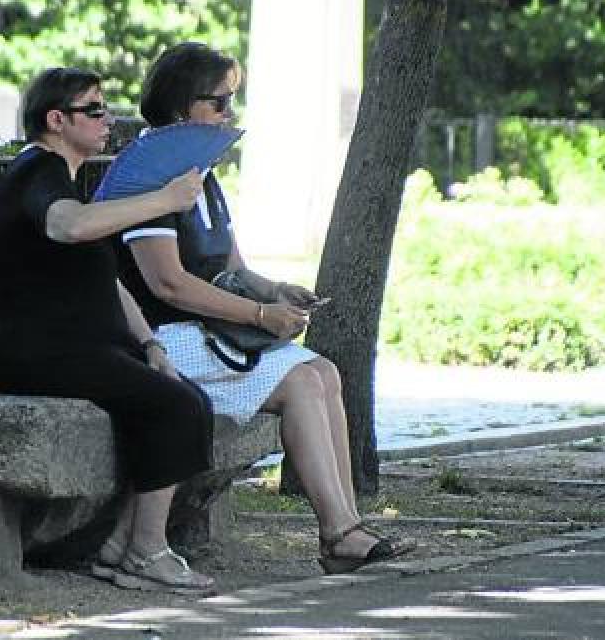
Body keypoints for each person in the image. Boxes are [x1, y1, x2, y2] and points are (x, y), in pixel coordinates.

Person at [114, 42, 416, 574]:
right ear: (184, 106)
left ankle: (348, 522)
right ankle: (337, 533)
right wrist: (257, 316)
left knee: (323, 371)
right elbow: (169, 285)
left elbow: (232, 265)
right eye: (219, 102)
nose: (229, 113)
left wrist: (276, 290)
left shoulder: (200, 173)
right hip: (170, 337)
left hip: (208, 328)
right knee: (302, 380)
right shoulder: (152, 175)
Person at [0, 66, 218, 595]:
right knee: (173, 407)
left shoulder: (62, 177)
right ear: (56, 120)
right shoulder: (36, 172)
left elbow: (109, 282)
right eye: (94, 110)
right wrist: (166, 200)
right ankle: (147, 553)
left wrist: (151, 346)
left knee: (187, 398)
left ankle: (121, 549)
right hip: (32, 351)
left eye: (105, 108)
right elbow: (69, 226)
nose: (107, 119)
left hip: (73, 346)